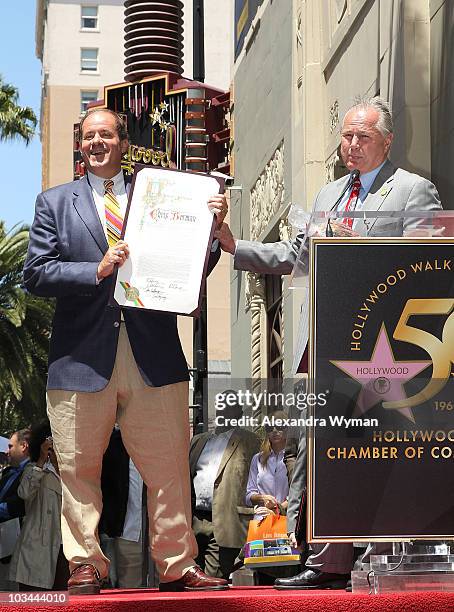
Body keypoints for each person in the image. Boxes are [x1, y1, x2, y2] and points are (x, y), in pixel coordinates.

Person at [215, 97, 443, 590]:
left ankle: (387, 559)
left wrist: (357, 249)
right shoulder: (328, 197)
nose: (351, 146)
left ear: (387, 140)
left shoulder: (413, 190)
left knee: (382, 450)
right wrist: (236, 246)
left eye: (362, 137)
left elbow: (426, 264)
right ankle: (330, 562)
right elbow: (291, 257)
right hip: (329, 343)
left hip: (389, 348)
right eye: (345, 137)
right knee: (327, 449)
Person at [23, 108, 229, 594]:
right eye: (89, 136)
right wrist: (95, 269)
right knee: (77, 468)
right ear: (81, 145)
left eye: (106, 135)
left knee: (169, 467)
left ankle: (177, 565)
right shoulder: (54, 203)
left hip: (152, 352)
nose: (97, 143)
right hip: (79, 359)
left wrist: (211, 230)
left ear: (123, 142)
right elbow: (36, 273)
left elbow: (192, 266)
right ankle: (86, 565)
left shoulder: (162, 196)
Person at [189, 391, 260, 580]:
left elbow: (260, 477)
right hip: (194, 519)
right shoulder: (199, 440)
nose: (223, 410)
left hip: (226, 519)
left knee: (214, 580)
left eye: (230, 406)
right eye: (221, 405)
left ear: (239, 413)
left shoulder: (250, 441)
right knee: (190, 579)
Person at [9, 421, 69, 591]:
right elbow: (24, 493)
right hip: (37, 548)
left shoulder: (71, 474)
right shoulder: (33, 469)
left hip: (65, 547)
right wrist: (42, 460)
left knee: (64, 601)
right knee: (34, 601)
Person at [0, 430, 31, 523]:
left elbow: (17, 506)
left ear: (23, 446)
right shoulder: (8, 472)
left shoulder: (33, 474)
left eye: (10, 447)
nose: (6, 451)